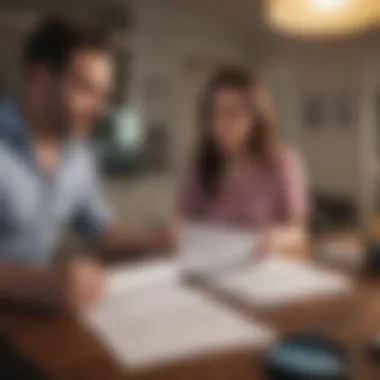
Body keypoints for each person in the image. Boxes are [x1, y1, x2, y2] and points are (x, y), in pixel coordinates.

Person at [0, 17, 172, 311]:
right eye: (84, 89)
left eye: (102, 95)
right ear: (39, 78)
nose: (99, 109)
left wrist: (151, 242)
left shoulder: (79, 156)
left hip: (33, 320)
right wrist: (40, 282)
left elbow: (100, 229)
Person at [178, 67, 308, 254]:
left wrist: (273, 239)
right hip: (207, 266)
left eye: (231, 114)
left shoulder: (282, 162)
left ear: (256, 118)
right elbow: (183, 223)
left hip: (262, 270)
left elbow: (297, 232)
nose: (219, 124)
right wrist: (178, 232)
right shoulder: (200, 164)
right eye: (213, 114)